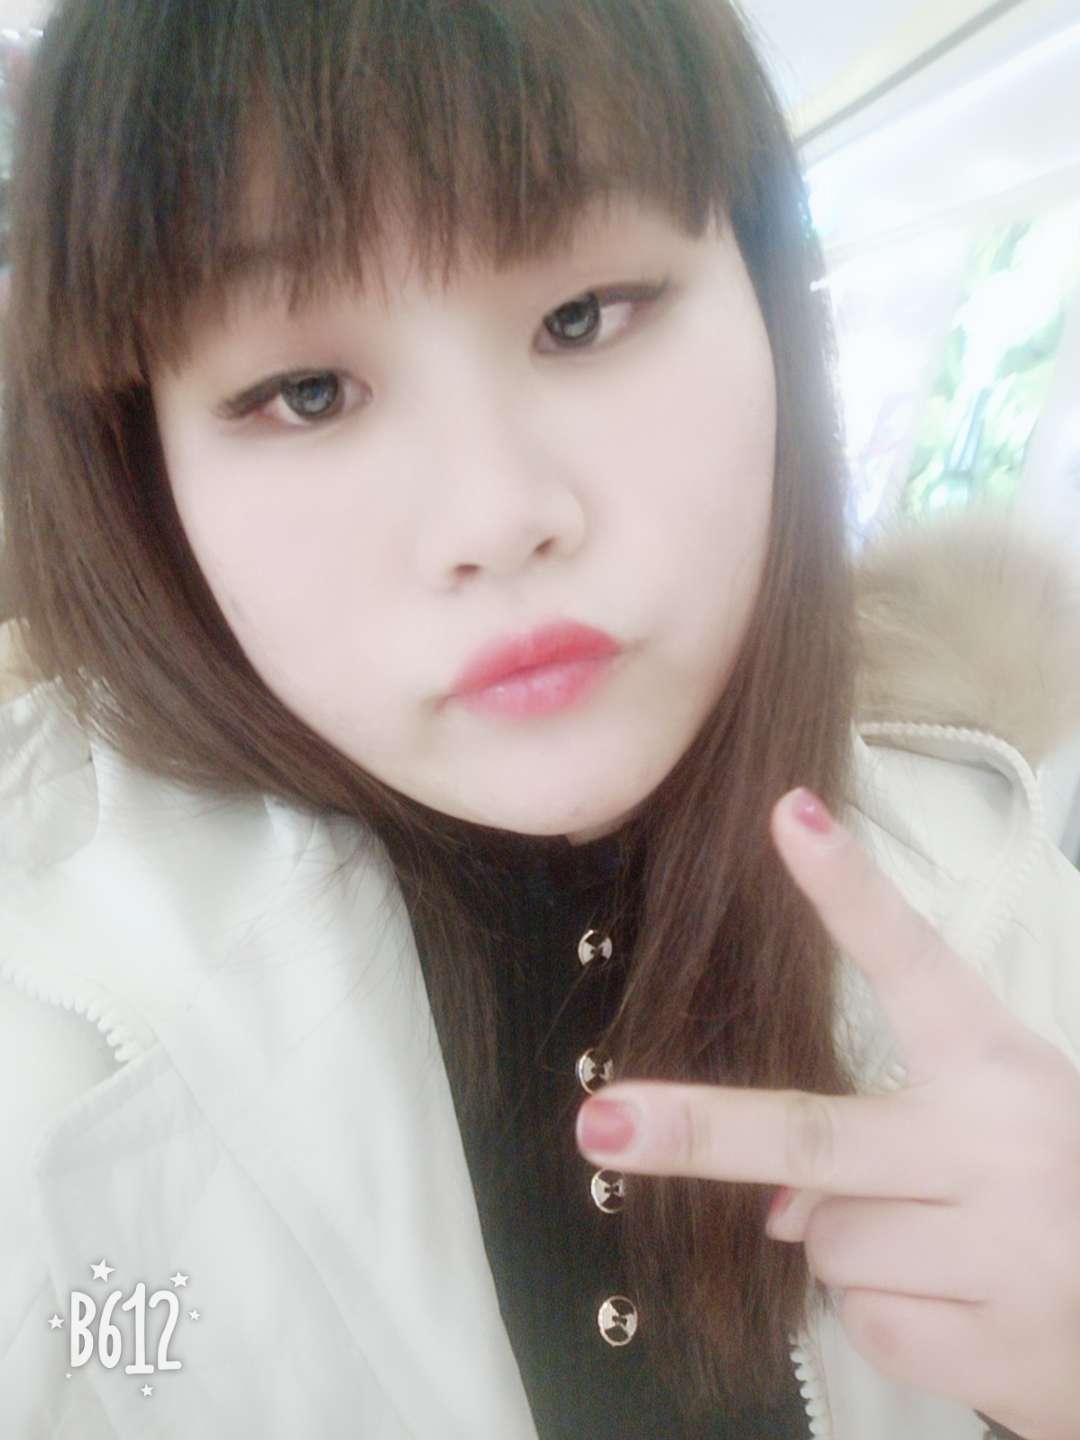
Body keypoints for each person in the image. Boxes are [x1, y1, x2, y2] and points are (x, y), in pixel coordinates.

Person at [0, 2, 1078, 1437]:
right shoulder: (43, 1018)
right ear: (146, 478)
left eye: (584, 316)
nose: (497, 517)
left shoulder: (1006, 902)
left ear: (771, 302)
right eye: (306, 393)